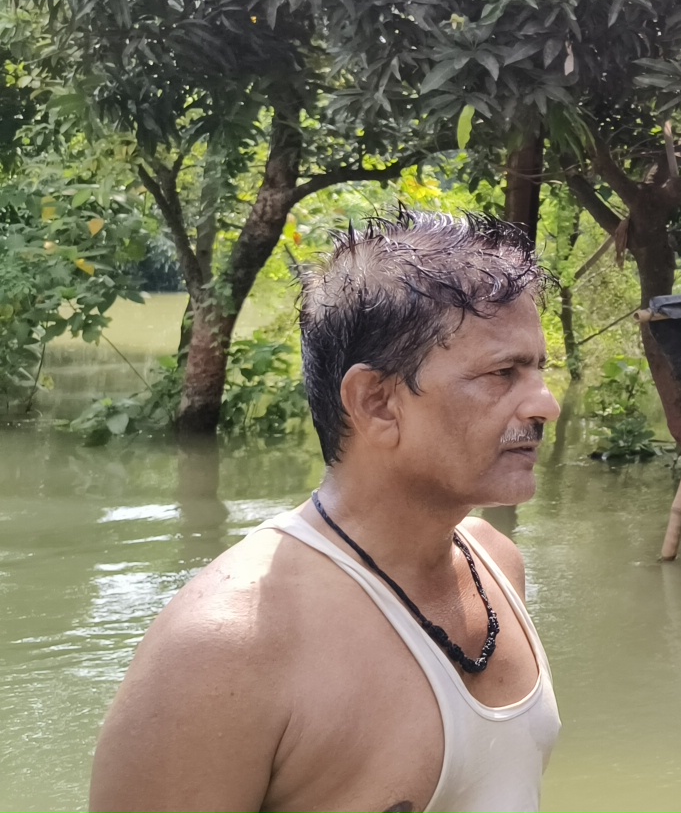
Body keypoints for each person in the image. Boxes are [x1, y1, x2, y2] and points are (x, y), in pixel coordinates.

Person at [90, 212, 563, 813]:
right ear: (377, 402)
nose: (545, 403)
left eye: (539, 368)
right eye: (503, 373)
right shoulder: (225, 650)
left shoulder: (498, 566)